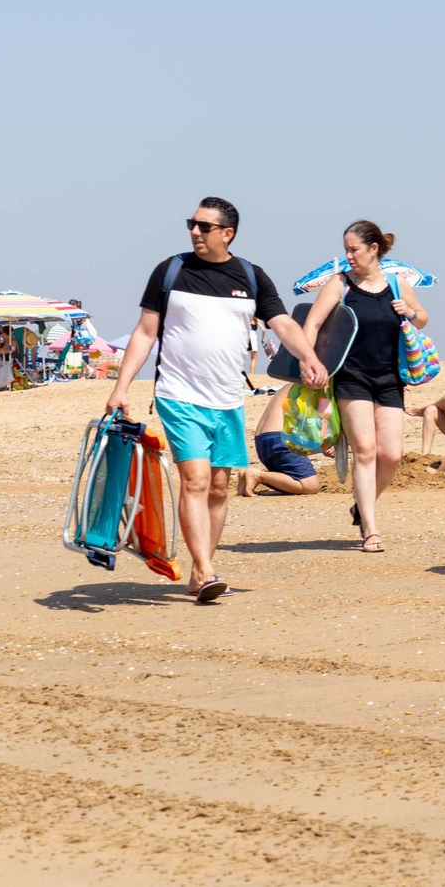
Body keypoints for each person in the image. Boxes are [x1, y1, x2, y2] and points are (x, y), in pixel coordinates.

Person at [105, 196, 326, 602]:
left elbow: (282, 324)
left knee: (220, 487)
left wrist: (308, 357)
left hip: (227, 398)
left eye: (204, 226)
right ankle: (206, 570)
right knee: (196, 479)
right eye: (192, 224)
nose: (195, 232)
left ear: (228, 233)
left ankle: (198, 572)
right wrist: (121, 387)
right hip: (178, 394)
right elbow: (145, 332)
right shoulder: (171, 271)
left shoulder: (251, 276)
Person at [303, 220, 429, 555]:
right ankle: (370, 530)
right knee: (366, 451)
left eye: (353, 249)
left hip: (390, 378)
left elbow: (423, 318)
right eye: (346, 249)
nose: (348, 255)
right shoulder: (340, 283)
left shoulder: (397, 283)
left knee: (391, 454)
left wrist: (410, 312)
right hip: (351, 377)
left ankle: (362, 505)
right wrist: (309, 362)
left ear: (374, 249)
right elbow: (313, 323)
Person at [239, 388, 322, 497]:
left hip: (263, 440)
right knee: (310, 485)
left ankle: (247, 477)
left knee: (293, 482)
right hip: (281, 438)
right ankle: (257, 475)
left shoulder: (291, 384)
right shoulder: (318, 385)